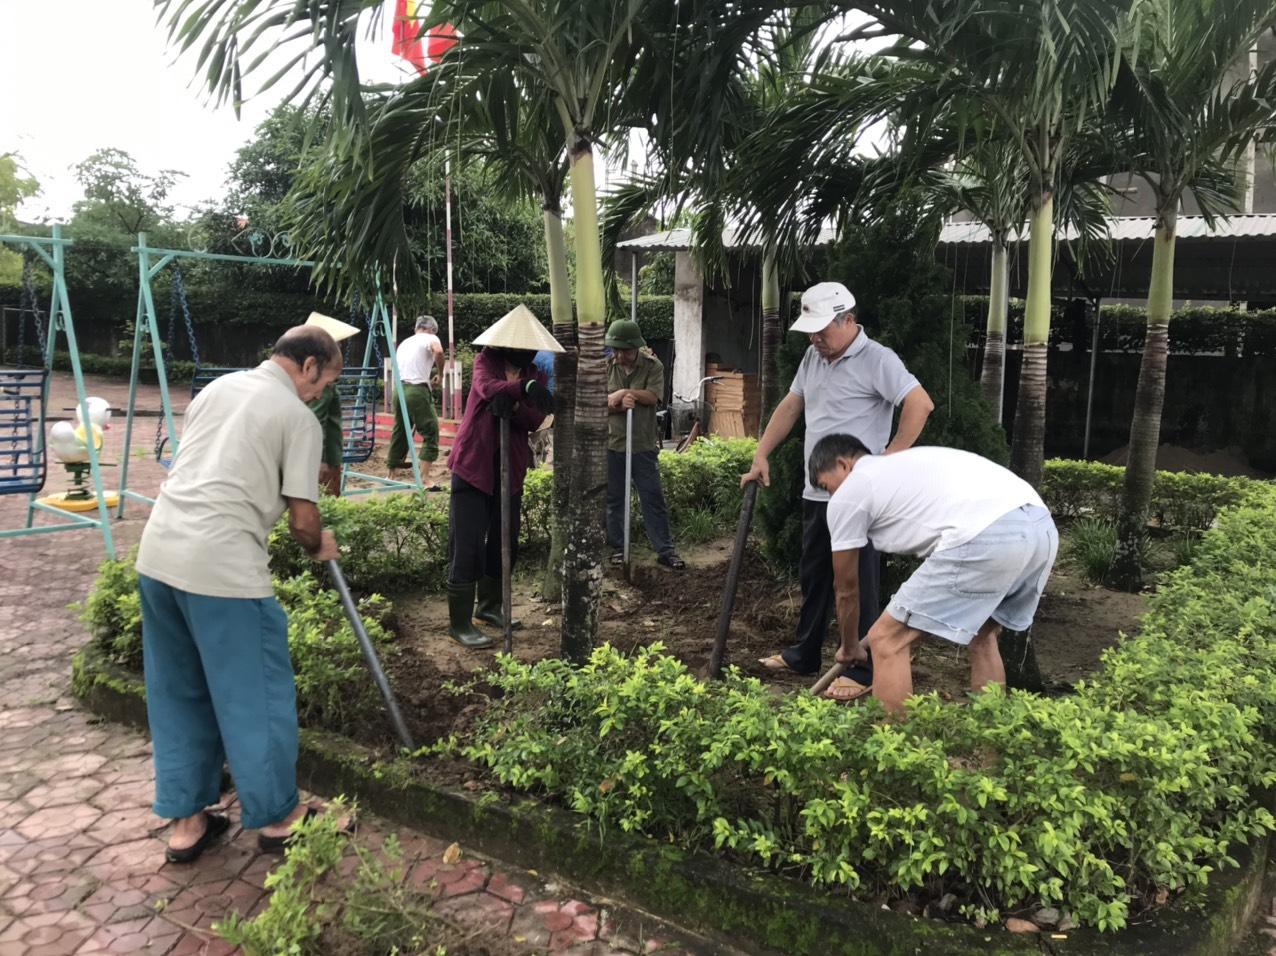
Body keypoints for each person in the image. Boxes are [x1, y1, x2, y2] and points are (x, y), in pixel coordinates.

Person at [135, 325, 348, 862]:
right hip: (223, 572)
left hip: (158, 556)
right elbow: (304, 519)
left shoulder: (218, 388)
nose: (321, 392)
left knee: (178, 691)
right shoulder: (298, 419)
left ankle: (186, 823)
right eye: (324, 381)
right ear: (308, 366)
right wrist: (318, 543)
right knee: (257, 697)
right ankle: (279, 817)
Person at [741, 281, 934, 701]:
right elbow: (792, 405)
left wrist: (889, 458)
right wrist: (762, 453)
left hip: (860, 496)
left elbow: (920, 404)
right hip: (819, 492)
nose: (815, 338)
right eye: (810, 330)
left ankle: (864, 670)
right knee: (815, 576)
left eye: (822, 329)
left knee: (859, 582)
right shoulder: (814, 356)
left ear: (848, 320)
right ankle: (804, 653)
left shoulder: (878, 359)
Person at [808, 434, 1059, 714]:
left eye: (824, 486)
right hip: (1040, 528)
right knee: (984, 636)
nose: (830, 496)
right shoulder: (902, 467)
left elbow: (845, 589)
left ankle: (894, 752)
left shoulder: (852, 491)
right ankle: (992, 749)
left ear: (843, 464)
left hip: (985, 535)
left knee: (886, 640)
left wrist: (850, 645)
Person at [445, 305, 560, 648]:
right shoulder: (486, 362)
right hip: (474, 464)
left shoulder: (535, 373)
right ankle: (459, 622)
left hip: (510, 467)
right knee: (467, 544)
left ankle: (490, 606)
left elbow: (533, 418)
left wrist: (520, 396)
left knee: (504, 539)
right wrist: (517, 391)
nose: (525, 353)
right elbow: (486, 388)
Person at [604, 319, 685, 570]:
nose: (619, 355)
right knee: (614, 499)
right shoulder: (606, 367)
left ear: (636, 348)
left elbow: (653, 397)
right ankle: (618, 548)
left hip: (642, 445)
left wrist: (631, 394)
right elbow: (598, 402)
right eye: (616, 350)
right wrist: (617, 399)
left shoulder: (653, 366)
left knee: (652, 497)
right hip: (614, 444)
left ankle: (665, 550)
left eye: (624, 351)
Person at [303, 311, 361, 496]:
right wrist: (319, 460)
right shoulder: (323, 386)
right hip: (327, 459)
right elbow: (315, 422)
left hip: (328, 456)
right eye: (337, 345)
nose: (340, 349)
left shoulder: (312, 381)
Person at [387, 315, 445, 486]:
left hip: (398, 390)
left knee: (401, 430)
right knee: (431, 431)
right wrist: (440, 375)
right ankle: (425, 479)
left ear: (416, 327)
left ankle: (391, 475)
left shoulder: (405, 342)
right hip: (416, 390)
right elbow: (439, 351)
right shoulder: (431, 337)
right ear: (431, 329)